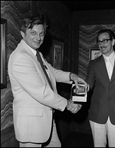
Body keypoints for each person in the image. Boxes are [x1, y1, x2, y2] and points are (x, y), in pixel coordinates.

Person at [8, 15, 88, 147]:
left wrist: (71, 76)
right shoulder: (20, 57)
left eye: (41, 33)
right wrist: (68, 104)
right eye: (33, 33)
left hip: (47, 118)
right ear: (22, 34)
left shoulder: (36, 53)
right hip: (32, 126)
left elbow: (51, 72)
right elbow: (41, 92)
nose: (38, 38)